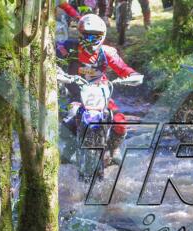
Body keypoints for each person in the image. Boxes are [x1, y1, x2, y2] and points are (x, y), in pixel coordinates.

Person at [56, 14, 144, 162]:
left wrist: (133, 75)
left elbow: (122, 67)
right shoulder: (69, 47)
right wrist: (58, 72)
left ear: (102, 35)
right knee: (69, 119)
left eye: (95, 36)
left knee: (120, 122)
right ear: (80, 34)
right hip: (76, 94)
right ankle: (69, 148)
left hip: (100, 94)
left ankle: (114, 148)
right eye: (88, 36)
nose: (91, 40)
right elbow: (52, 56)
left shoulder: (106, 52)